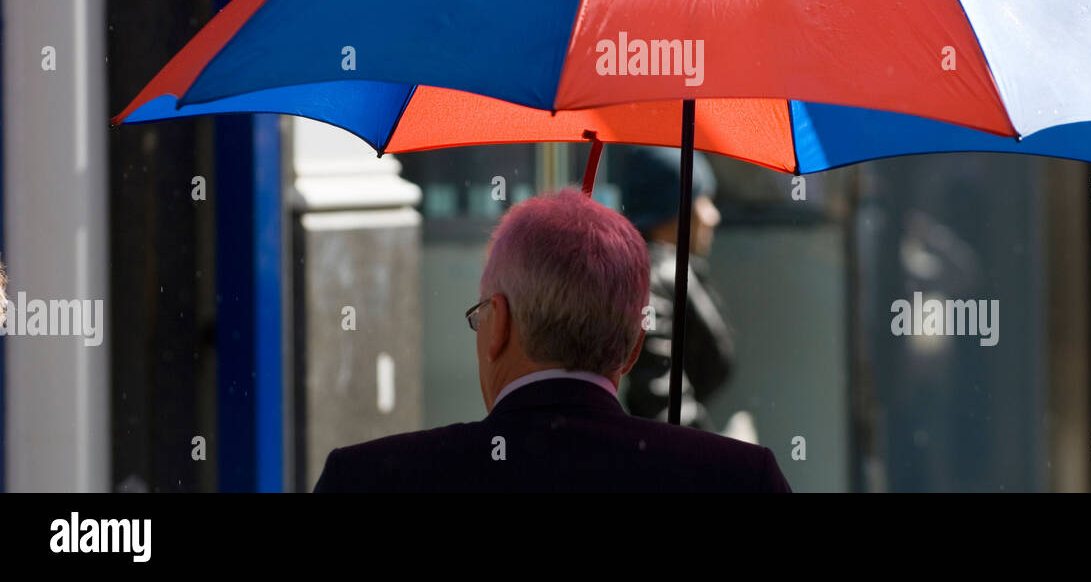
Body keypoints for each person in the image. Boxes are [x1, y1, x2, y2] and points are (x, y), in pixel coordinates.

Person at [313, 188, 790, 492]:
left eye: (479, 316)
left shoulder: (368, 480)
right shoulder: (740, 479)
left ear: (497, 324)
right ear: (633, 346)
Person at [619, 146, 741, 434]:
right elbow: (660, 401)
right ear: (675, 206)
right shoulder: (653, 281)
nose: (713, 217)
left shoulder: (661, 273)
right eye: (704, 200)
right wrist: (720, 461)